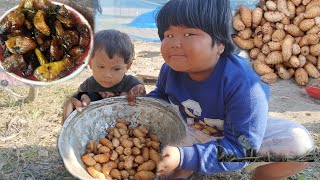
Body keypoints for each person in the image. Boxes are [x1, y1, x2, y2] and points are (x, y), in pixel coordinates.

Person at [146, 0, 314, 179]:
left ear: (220, 44)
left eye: (189, 34)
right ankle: (186, 165)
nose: (175, 43)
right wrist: (145, 101)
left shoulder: (245, 85)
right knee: (161, 168)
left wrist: (183, 156)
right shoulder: (170, 70)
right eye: (169, 35)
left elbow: (243, 149)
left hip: (239, 133)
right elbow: (162, 97)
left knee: (299, 145)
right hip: (192, 129)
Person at [62, 29, 145, 121]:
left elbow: (144, 103)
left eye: (116, 69)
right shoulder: (87, 86)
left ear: (128, 66)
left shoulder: (132, 84)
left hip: (126, 124)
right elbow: (78, 103)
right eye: (101, 67)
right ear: (90, 63)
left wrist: (139, 92)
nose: (107, 75)